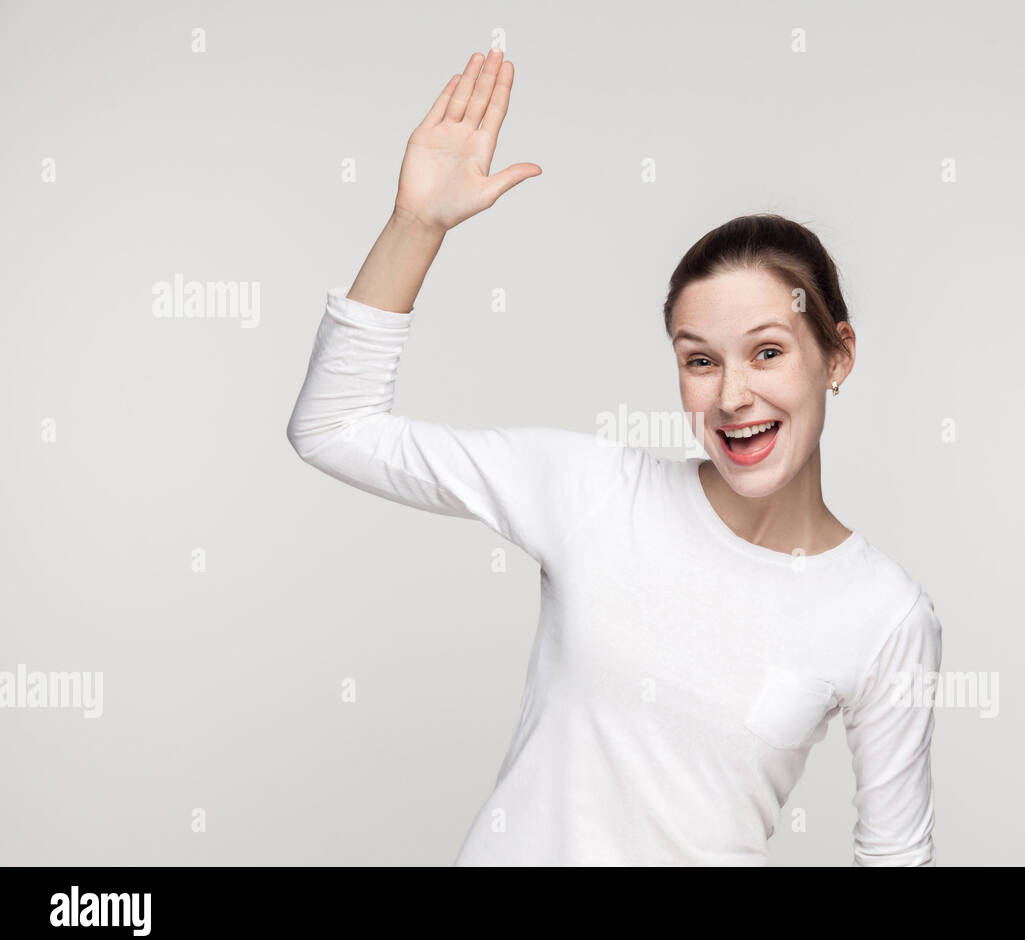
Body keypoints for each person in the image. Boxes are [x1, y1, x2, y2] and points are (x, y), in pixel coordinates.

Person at [287, 48, 943, 866]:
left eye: (767, 352)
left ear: (836, 356)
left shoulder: (883, 616)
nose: (734, 395)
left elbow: (895, 857)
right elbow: (334, 428)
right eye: (700, 360)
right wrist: (416, 226)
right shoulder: (593, 491)